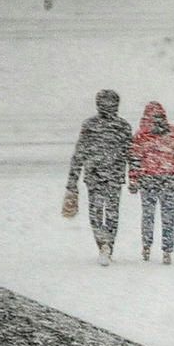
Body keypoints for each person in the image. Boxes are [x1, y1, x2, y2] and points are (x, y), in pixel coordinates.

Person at [64, 89, 133, 266]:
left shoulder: (91, 125)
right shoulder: (123, 126)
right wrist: (134, 176)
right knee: (111, 212)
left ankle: (103, 244)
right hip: (113, 176)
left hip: (95, 176)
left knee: (96, 212)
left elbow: (79, 153)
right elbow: (130, 154)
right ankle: (107, 244)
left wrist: (73, 180)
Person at [128, 101, 174, 264]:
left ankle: (146, 247)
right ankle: (167, 251)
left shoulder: (141, 136)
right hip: (169, 179)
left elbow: (134, 159)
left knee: (148, 215)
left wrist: (133, 179)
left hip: (148, 180)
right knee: (168, 216)